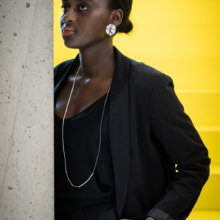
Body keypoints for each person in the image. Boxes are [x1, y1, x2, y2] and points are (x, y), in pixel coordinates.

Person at [54, 0, 211, 219]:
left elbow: (195, 164)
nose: (67, 17)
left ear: (115, 18)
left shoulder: (148, 86)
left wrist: (156, 217)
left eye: (83, 7)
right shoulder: (50, 79)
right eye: (65, 7)